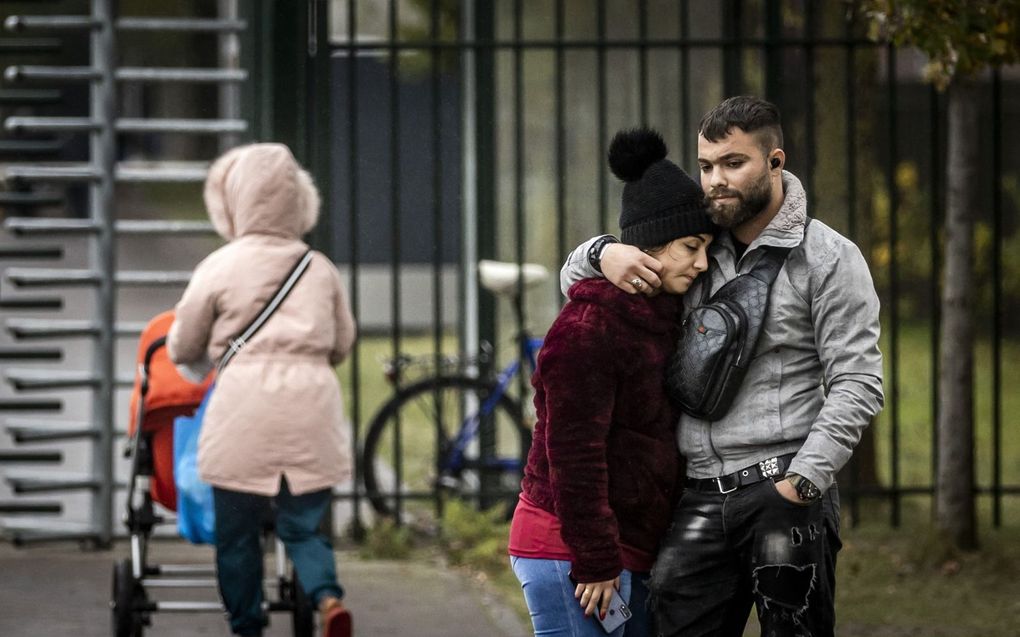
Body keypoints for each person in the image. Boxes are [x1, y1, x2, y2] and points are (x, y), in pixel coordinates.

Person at [560, 96, 884, 636]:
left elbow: (858, 381)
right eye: (707, 166)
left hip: (784, 491)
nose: (715, 181)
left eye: (734, 164)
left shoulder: (829, 257)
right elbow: (580, 289)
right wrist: (600, 253)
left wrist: (802, 484)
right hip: (699, 497)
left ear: (775, 162)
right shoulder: (695, 246)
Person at [509, 128, 716, 636]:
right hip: (573, 553)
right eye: (691, 246)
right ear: (648, 247)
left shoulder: (660, 316)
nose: (702, 263)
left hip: (624, 551)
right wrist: (597, 559)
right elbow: (574, 453)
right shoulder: (590, 328)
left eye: (707, 247)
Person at [168, 143, 355, 637]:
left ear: (233, 201)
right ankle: (328, 597)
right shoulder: (319, 268)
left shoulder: (219, 266)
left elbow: (183, 344)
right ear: (300, 201)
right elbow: (342, 343)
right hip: (311, 409)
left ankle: (247, 626)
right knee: (301, 525)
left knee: (236, 534)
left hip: (242, 413)